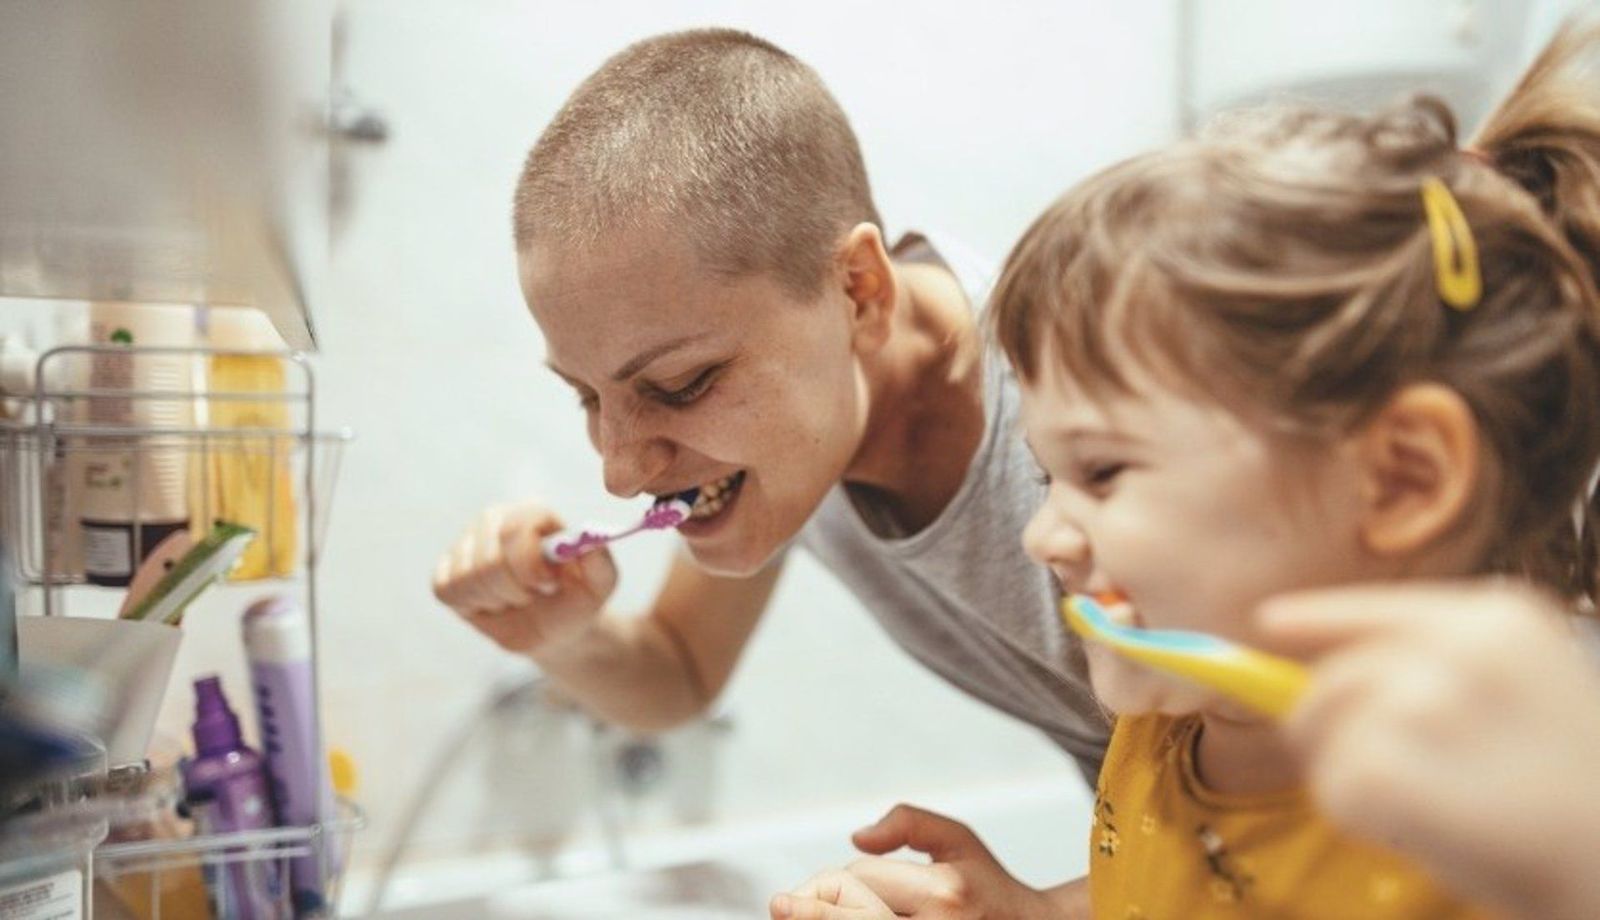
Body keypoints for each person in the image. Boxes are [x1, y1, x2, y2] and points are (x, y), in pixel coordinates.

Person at [772, 15, 1600, 920]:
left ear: (1402, 476)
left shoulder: (1485, 834)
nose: (1040, 535)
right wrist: (1032, 911)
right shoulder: (1168, 728)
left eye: (1106, 471)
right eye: (1049, 477)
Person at [431, 27, 1105, 916]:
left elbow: (1312, 784)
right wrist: (562, 636)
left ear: (858, 290)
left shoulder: (1092, 419)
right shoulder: (805, 430)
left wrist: (1040, 912)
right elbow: (679, 670)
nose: (623, 474)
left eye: (682, 384)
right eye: (585, 397)